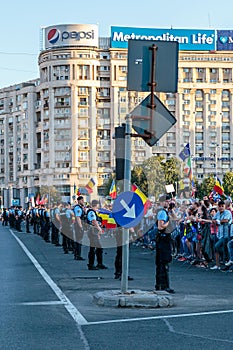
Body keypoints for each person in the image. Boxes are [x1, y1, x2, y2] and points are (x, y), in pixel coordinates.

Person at [155, 195, 175, 294]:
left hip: (164, 239)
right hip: (163, 239)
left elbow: (176, 219)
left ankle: (160, 285)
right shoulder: (162, 213)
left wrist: (172, 211)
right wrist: (168, 222)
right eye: (166, 201)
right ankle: (163, 285)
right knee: (163, 262)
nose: (168, 203)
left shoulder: (166, 212)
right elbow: (160, 226)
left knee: (163, 263)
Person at [210, 200, 232, 270]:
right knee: (217, 248)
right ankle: (218, 264)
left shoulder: (227, 212)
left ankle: (226, 262)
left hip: (227, 234)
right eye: (220, 206)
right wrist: (215, 221)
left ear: (225, 206)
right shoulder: (218, 213)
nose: (221, 208)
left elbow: (226, 220)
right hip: (219, 234)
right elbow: (213, 220)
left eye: (222, 206)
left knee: (218, 246)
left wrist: (218, 221)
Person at [86, 199, 107, 270]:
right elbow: (94, 221)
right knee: (93, 248)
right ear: (96, 205)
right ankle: (91, 264)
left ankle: (99, 263)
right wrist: (99, 229)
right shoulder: (91, 212)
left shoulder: (94, 212)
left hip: (94, 232)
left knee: (99, 248)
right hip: (92, 231)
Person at [73, 196, 86, 260]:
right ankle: (78, 255)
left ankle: (77, 254)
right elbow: (78, 218)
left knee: (79, 240)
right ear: (78, 201)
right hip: (78, 226)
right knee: (79, 240)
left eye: (83, 200)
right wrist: (80, 227)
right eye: (81, 200)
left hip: (79, 225)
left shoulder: (80, 208)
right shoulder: (78, 208)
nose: (83, 202)